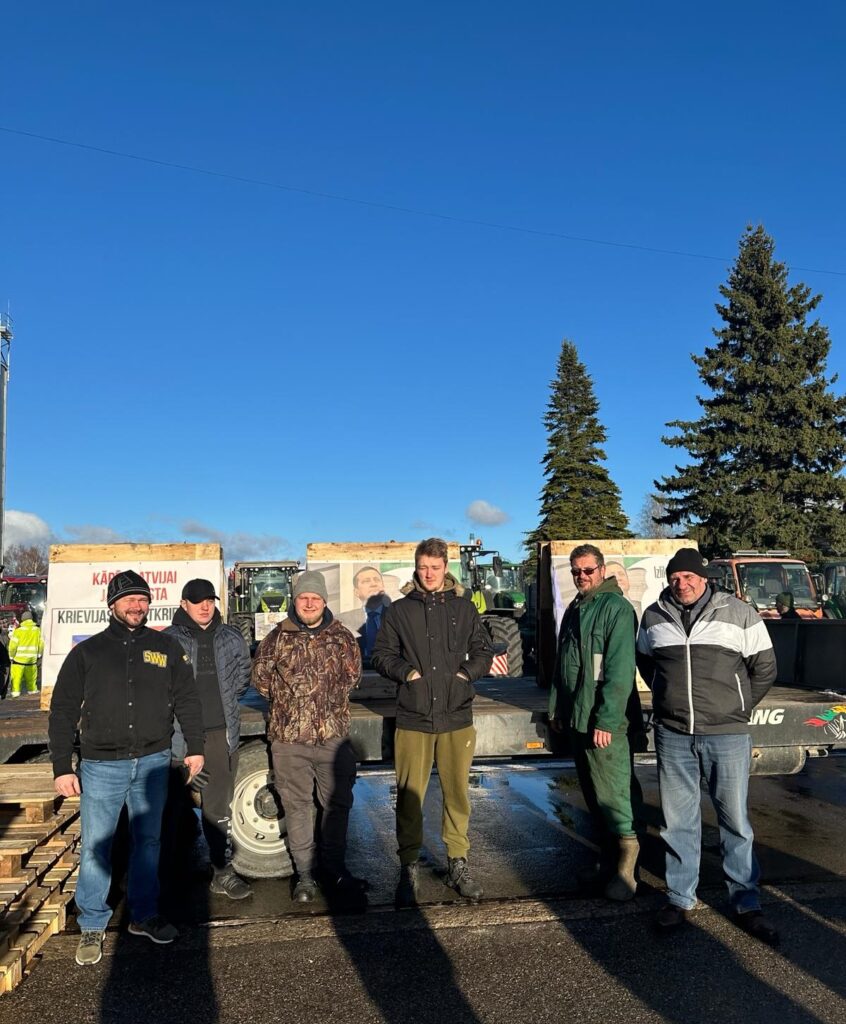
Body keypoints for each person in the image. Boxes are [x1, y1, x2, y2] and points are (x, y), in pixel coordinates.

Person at [48, 570, 205, 967]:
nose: (137, 606)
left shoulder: (165, 647)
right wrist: (62, 765)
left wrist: (196, 747)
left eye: (143, 599)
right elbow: (63, 710)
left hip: (153, 762)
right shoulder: (88, 653)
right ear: (112, 604)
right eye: (129, 599)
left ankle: (144, 914)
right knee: (96, 845)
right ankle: (92, 922)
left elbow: (187, 698)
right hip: (101, 765)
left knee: (148, 842)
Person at [636, 548, 779, 944]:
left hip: (727, 734)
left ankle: (746, 903)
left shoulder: (737, 612)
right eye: (675, 578)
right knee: (677, 821)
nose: (681, 584)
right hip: (673, 733)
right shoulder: (654, 616)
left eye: (688, 577)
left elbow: (765, 667)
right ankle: (680, 898)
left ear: (703, 578)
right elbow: (647, 663)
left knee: (734, 821)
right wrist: (666, 698)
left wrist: (739, 706)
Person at [371, 537, 493, 908]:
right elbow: (381, 654)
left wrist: (465, 675)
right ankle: (408, 865)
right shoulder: (399, 611)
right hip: (414, 718)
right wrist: (407, 673)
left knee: (457, 795)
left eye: (435, 568)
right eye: (423, 567)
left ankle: (457, 862)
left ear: (445, 568)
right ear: (416, 567)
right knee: (410, 797)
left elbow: (484, 651)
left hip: (457, 716)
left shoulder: (464, 608)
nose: (428, 574)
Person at [252, 570, 365, 908]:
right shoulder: (276, 638)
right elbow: (261, 680)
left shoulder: (342, 637)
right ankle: (304, 874)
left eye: (316, 598)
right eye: (304, 597)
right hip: (289, 741)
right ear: (295, 600)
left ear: (324, 601)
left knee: (337, 806)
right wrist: (294, 707)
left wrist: (323, 708)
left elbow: (353, 677)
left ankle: (334, 870)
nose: (310, 603)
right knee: (297, 806)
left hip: (332, 739)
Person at [549, 544, 640, 901]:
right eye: (576, 571)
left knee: (614, 793)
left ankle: (627, 871)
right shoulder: (576, 608)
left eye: (588, 570)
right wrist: (558, 709)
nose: (582, 576)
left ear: (602, 570)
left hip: (604, 721)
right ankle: (607, 863)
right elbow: (563, 664)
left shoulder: (616, 609)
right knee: (593, 793)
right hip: (578, 716)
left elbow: (619, 671)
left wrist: (607, 720)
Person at [164, 578, 253, 900]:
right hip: (179, 737)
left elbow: (242, 679)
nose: (205, 606)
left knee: (217, 808)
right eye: (197, 600)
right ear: (183, 604)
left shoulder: (231, 637)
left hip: (219, 734)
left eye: (210, 600)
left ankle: (221, 871)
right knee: (170, 810)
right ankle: (166, 877)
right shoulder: (167, 640)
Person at [338, 565, 392, 661]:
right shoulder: (342, 621)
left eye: (377, 580)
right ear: (356, 592)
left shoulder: (399, 616)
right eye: (366, 581)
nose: (373, 584)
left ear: (383, 587)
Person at [8, 610, 44, 697]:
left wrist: (11, 656)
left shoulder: (18, 631)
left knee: (16, 677)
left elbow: (13, 646)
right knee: (31, 677)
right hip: (32, 659)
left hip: (18, 660)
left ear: (22, 619)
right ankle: (32, 690)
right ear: (31, 619)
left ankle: (15, 692)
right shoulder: (37, 630)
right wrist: (39, 654)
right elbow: (41, 643)